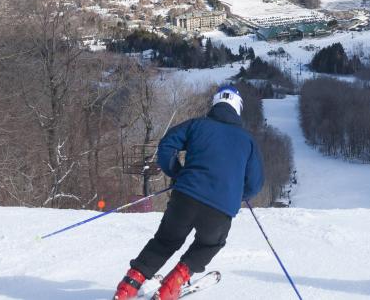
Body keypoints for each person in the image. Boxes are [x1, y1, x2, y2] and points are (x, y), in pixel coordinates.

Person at [113, 85, 264, 300]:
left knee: (165, 241)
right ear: (238, 109)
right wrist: (234, 194)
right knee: (210, 243)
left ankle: (127, 287)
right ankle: (172, 285)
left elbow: (166, 146)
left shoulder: (196, 125)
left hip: (185, 197)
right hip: (220, 209)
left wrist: (177, 172)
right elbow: (255, 183)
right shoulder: (248, 141)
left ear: (215, 104)